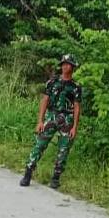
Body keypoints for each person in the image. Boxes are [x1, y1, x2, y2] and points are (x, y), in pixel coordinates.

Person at [19, 54, 82, 189]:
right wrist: (40, 121)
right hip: (52, 115)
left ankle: (56, 178)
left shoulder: (76, 87)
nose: (65, 66)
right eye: (63, 64)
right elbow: (45, 100)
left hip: (67, 118)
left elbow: (77, 107)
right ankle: (28, 173)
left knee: (64, 149)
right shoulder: (52, 82)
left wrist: (74, 127)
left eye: (68, 64)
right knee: (40, 144)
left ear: (73, 67)